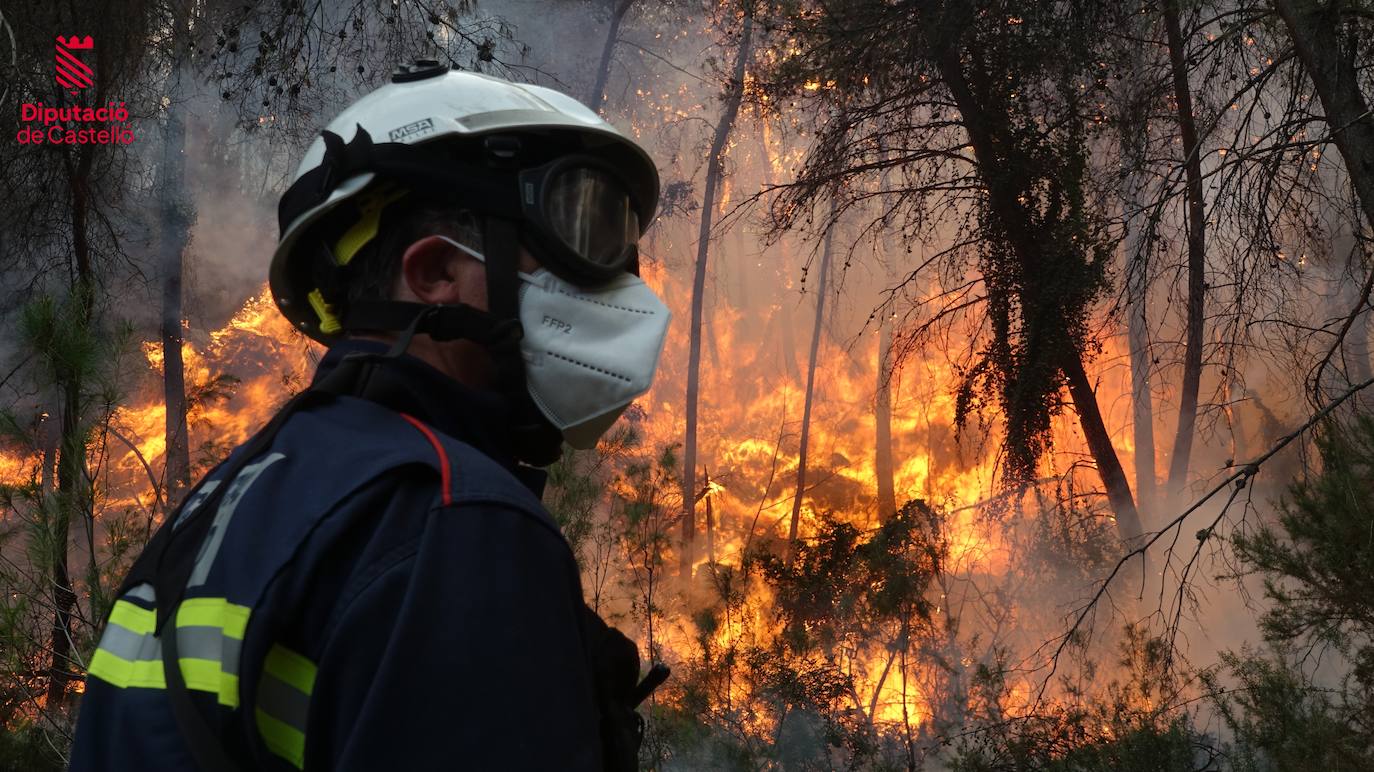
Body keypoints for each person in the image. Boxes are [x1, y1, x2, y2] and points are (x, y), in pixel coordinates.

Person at [69, 60, 671, 772]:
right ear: (437, 272)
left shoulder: (225, 498)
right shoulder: (457, 523)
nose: (623, 286)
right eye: (585, 237)